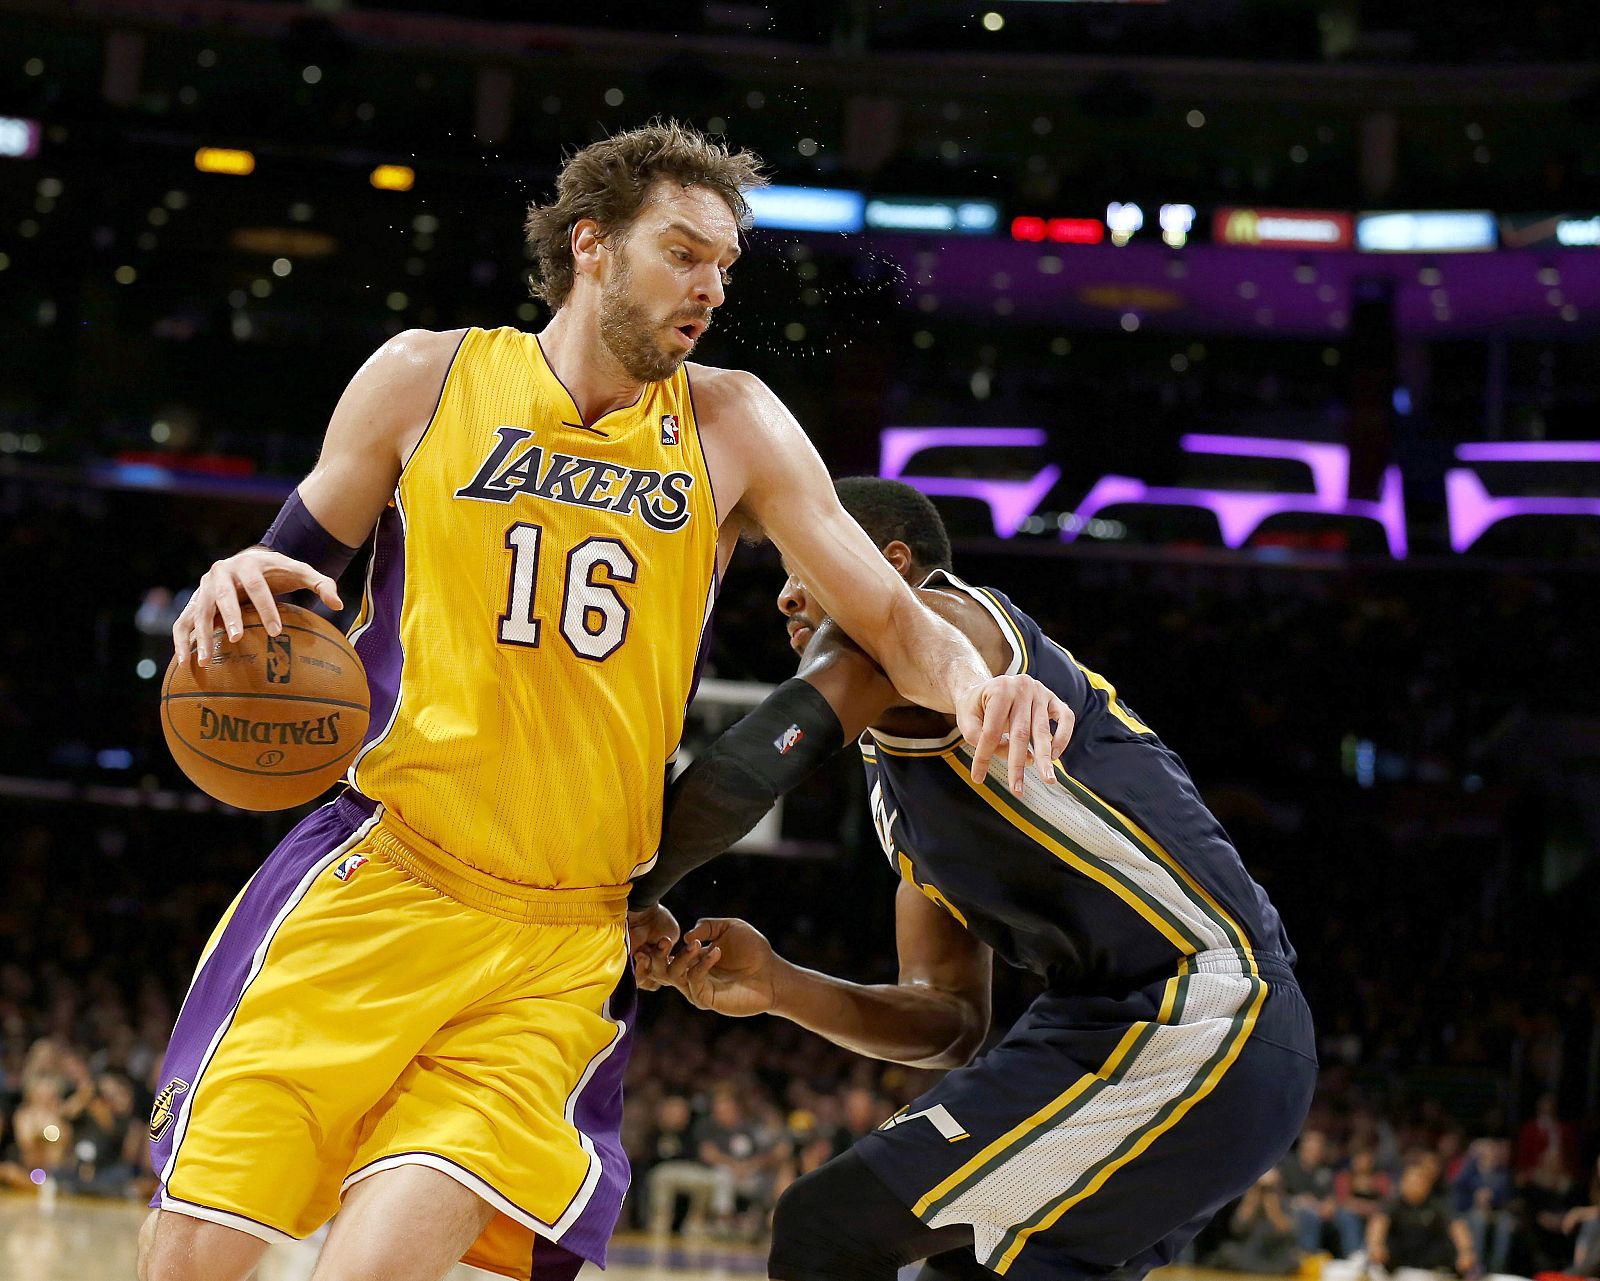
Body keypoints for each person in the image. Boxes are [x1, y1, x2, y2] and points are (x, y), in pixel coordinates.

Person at [140, 123, 1070, 1281]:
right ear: (591, 246)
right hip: (384, 881)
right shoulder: (423, 377)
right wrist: (227, 579)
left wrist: (985, 687)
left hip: (561, 945)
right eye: (684, 254)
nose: (710, 289)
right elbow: (282, 594)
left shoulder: (731, 421)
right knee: (191, 1259)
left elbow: (888, 619)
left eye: (724, 266)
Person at [634, 476, 1317, 1281]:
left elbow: (760, 756)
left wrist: (611, 893)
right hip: (1106, 1031)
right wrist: (781, 984)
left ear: (889, 564)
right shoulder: (899, 790)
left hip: (1202, 1012)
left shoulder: (956, 623)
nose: (783, 596)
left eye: (802, 562)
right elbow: (949, 1021)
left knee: (830, 1225)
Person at [1366, 1156, 1476, 1276]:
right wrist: (1375, 1246)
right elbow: (1379, 1222)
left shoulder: (1437, 1204)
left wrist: (1466, 1252)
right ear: (1403, 1182)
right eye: (1410, 1181)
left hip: (1429, 1257)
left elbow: (1457, 1225)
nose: (1414, 1185)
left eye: (1418, 1181)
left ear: (1427, 1184)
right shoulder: (1394, 1203)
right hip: (1400, 1257)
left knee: (1450, 1251)